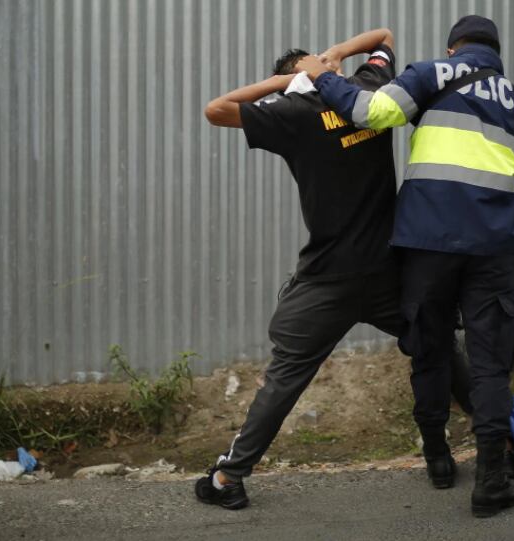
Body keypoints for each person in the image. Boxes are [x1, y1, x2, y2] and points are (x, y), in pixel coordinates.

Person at [197, 28, 470, 511]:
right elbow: (383, 36)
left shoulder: (291, 114)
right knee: (437, 346)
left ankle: (227, 477)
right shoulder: (366, 89)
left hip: (329, 278)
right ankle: (480, 444)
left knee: (285, 376)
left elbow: (216, 109)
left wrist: (283, 84)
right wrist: (336, 57)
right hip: (389, 270)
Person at [298, 15, 514, 518]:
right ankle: (492, 480)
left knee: (430, 349)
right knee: (491, 362)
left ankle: (438, 460)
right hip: (495, 247)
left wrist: (321, 75)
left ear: (454, 50)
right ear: (497, 54)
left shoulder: (434, 74)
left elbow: (370, 110)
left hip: (428, 241)